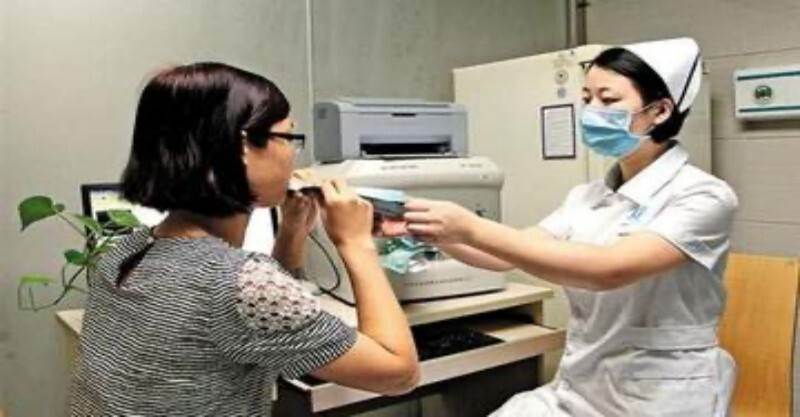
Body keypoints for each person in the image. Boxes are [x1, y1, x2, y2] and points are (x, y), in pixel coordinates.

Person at [402, 38, 737, 416]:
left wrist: (471, 227)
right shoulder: (588, 195)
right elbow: (504, 255)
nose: (591, 112)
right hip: (581, 385)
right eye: (586, 99)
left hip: (662, 393)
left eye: (608, 100)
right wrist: (421, 225)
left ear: (659, 111)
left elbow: (608, 270)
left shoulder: (704, 195)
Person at [70, 62, 419, 417]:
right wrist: (356, 244)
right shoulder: (240, 284)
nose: (293, 155)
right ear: (241, 148)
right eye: (289, 138)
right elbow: (399, 374)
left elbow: (262, 318)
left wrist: (292, 232)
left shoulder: (125, 253)